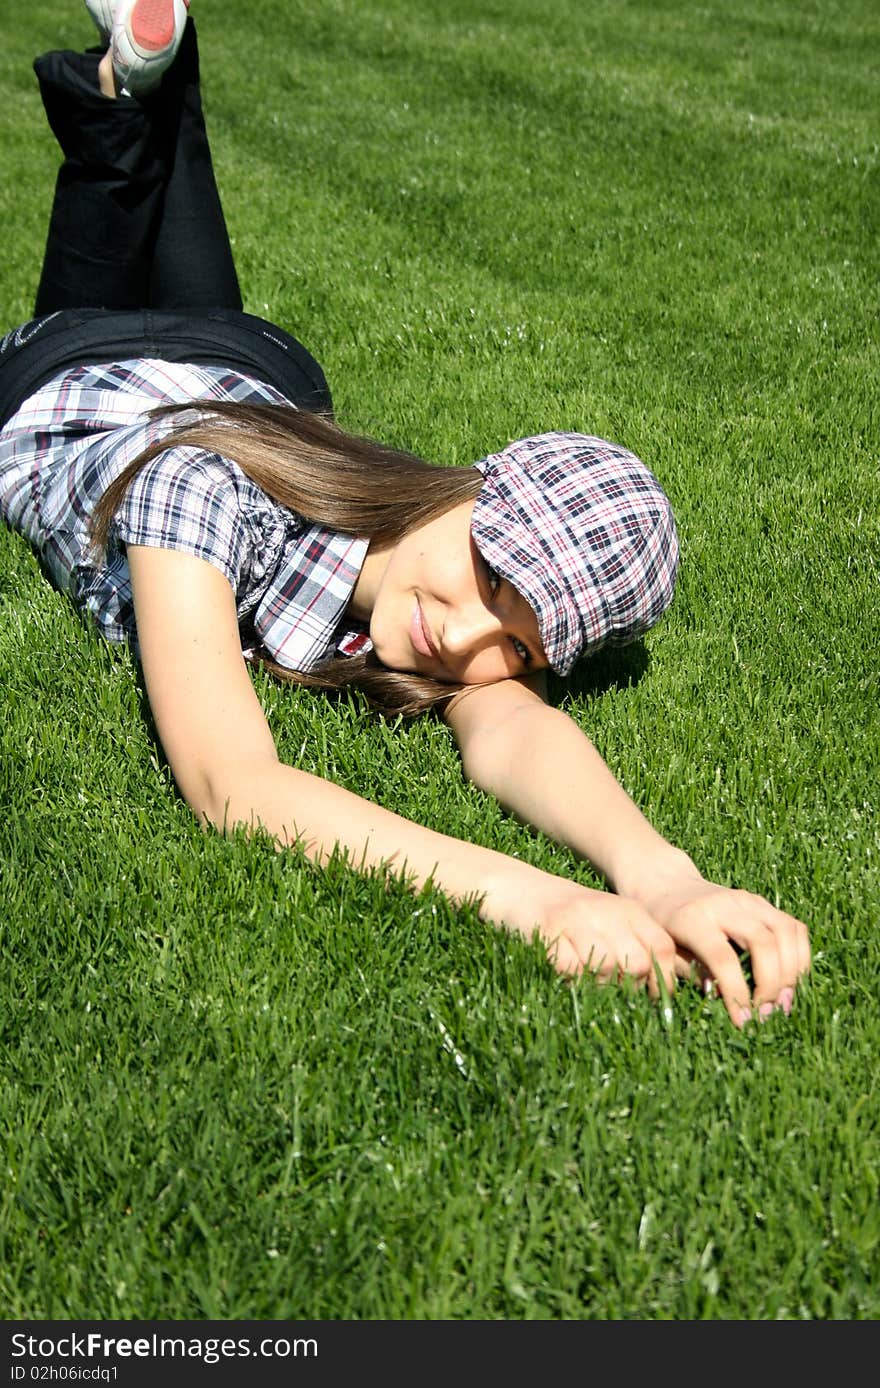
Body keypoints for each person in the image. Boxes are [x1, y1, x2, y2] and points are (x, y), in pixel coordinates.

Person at [0, 0, 810, 1029]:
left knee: (138, 125)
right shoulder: (198, 492)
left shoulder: (460, 627)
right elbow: (230, 782)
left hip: (251, 376)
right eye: (495, 578)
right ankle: (146, 67)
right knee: (110, 172)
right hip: (73, 375)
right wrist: (533, 897)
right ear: (468, 488)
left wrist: (664, 879)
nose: (466, 635)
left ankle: (148, 60)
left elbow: (514, 732)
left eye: (516, 645)